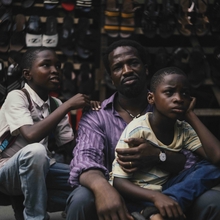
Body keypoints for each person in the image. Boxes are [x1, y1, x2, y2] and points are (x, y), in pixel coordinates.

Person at [66, 39, 220, 220]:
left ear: (146, 69)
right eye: (118, 67)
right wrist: (104, 189)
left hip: (169, 191)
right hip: (118, 192)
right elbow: (85, 162)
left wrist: (157, 155)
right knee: (81, 198)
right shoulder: (96, 117)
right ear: (111, 77)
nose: (127, 70)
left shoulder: (170, 110)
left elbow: (191, 164)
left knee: (213, 198)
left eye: (133, 62)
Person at [0, 47, 100, 220]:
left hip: (40, 169)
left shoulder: (55, 103)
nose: (55, 70)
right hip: (6, 171)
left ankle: (40, 204)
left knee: (91, 178)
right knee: (36, 151)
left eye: (58, 66)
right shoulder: (16, 96)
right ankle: (35, 216)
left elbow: (70, 146)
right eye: (46, 65)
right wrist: (67, 106)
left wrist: (92, 116)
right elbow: (30, 135)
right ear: (27, 74)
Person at [111, 66, 220, 220]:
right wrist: (156, 197)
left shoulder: (183, 129)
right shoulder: (138, 129)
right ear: (151, 98)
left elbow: (216, 156)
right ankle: (157, 208)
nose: (178, 99)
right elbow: (118, 182)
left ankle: (158, 210)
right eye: (169, 92)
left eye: (185, 94)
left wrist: (190, 115)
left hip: (167, 191)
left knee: (212, 167)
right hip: (136, 196)